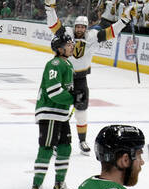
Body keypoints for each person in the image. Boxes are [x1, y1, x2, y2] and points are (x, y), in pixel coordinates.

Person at [45, 0, 131, 155]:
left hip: (81, 79)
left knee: (81, 112)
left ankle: (82, 140)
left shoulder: (93, 36)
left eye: (82, 27)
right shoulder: (67, 33)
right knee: (59, 110)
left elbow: (111, 31)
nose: (79, 29)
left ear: (86, 28)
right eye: (78, 26)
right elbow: (53, 24)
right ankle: (56, 140)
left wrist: (124, 20)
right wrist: (49, 8)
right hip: (65, 79)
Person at [30, 33, 76, 189]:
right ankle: (35, 188)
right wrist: (74, 98)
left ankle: (59, 185)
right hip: (50, 112)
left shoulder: (68, 64)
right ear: (59, 48)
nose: (72, 46)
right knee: (47, 148)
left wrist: (77, 95)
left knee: (65, 147)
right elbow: (54, 92)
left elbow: (68, 90)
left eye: (72, 43)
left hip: (61, 114)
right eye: (68, 44)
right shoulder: (54, 64)